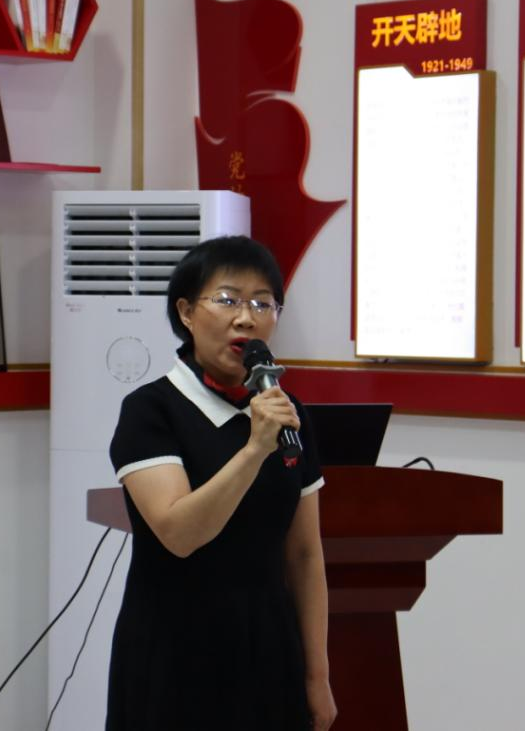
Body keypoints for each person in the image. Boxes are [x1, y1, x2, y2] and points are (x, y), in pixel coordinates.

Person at [106, 235, 337, 731]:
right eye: (228, 300)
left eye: (263, 303)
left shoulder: (286, 413)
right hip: (174, 649)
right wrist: (254, 449)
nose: (246, 319)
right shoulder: (150, 410)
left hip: (269, 647)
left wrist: (317, 675)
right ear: (187, 312)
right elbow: (180, 534)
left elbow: (304, 555)